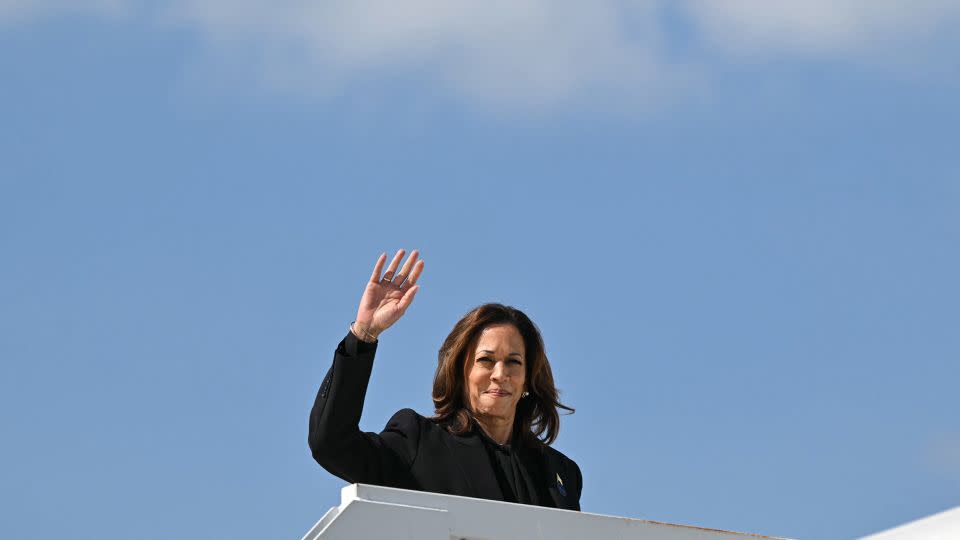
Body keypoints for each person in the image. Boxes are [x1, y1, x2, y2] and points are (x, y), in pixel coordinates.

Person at [309, 249, 582, 510]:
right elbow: (332, 444)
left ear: (527, 379)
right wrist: (363, 336)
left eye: (514, 362)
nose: (500, 375)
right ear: (460, 372)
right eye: (486, 360)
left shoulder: (560, 474)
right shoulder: (421, 444)